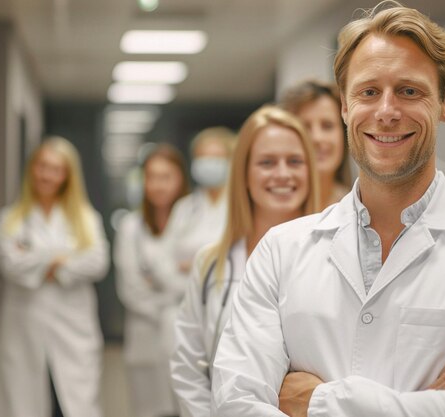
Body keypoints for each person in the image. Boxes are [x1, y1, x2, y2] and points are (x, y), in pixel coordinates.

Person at [211, 3, 445, 417]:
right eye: (369, 92)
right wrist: (422, 403)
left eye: (409, 91)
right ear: (344, 106)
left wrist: (316, 400)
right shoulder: (280, 251)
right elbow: (234, 403)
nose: (387, 111)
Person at [170, 105, 321, 417]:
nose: (282, 173)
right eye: (267, 162)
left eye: (294, 161)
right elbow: (188, 365)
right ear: (244, 175)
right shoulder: (212, 263)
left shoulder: (337, 258)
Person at [0, 136, 109, 417]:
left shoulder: (86, 218)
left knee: (73, 403)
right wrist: (61, 258)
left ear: (67, 175)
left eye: (56, 169)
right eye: (42, 166)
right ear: (32, 169)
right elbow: (11, 266)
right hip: (23, 325)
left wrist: (37, 258)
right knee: (22, 401)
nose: (47, 175)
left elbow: (98, 263)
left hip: (73, 326)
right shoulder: (9, 218)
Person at [114, 144, 190, 417]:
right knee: (151, 409)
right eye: (151, 177)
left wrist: (158, 280)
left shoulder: (196, 223)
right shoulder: (130, 227)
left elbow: (203, 283)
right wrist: (178, 279)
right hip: (145, 333)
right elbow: (130, 289)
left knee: (192, 406)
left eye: (166, 176)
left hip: (190, 334)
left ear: (181, 178)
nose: (158, 185)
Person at [167, 126, 236, 275]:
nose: (207, 163)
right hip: (186, 291)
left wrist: (196, 264)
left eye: (215, 158)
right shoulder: (184, 207)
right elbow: (169, 258)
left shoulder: (241, 206)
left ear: (231, 161)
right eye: (202, 157)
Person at [280, 79, 353, 209]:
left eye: (327, 126)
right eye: (305, 127)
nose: (317, 138)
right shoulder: (270, 209)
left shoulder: (362, 211)